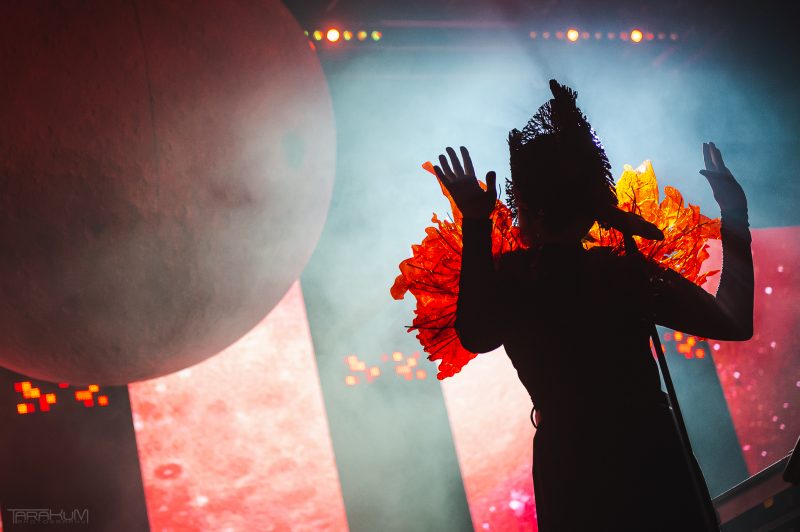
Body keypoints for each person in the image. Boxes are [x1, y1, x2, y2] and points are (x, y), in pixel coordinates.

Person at [432, 80, 753, 531]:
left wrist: (476, 223)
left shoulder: (517, 277)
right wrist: (734, 216)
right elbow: (734, 322)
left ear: (529, 205)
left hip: (574, 470)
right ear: (594, 204)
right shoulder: (622, 271)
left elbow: (476, 335)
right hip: (651, 460)